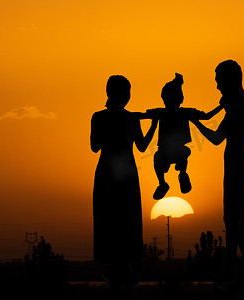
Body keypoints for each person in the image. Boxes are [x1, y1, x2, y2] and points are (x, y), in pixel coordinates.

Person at [191, 60, 244, 296]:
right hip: (234, 169)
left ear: (231, 80)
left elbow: (217, 138)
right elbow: (219, 136)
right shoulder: (239, 104)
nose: (217, 85)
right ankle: (233, 270)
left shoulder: (243, 105)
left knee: (236, 222)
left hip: (239, 169)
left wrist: (196, 122)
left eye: (219, 79)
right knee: (231, 222)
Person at [90, 75, 158, 289]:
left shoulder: (104, 117)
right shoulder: (109, 118)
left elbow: (141, 146)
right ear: (114, 93)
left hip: (116, 174)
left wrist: (151, 122)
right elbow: (142, 146)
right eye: (126, 92)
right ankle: (119, 269)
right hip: (117, 174)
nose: (128, 96)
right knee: (117, 219)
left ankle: (122, 269)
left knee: (120, 220)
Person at [144, 73, 223, 200]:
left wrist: (223, 105)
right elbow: (208, 116)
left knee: (177, 153)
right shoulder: (165, 112)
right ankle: (164, 183)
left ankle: (181, 175)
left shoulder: (178, 112)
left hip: (176, 151)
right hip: (165, 152)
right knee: (159, 157)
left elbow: (207, 116)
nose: (167, 101)